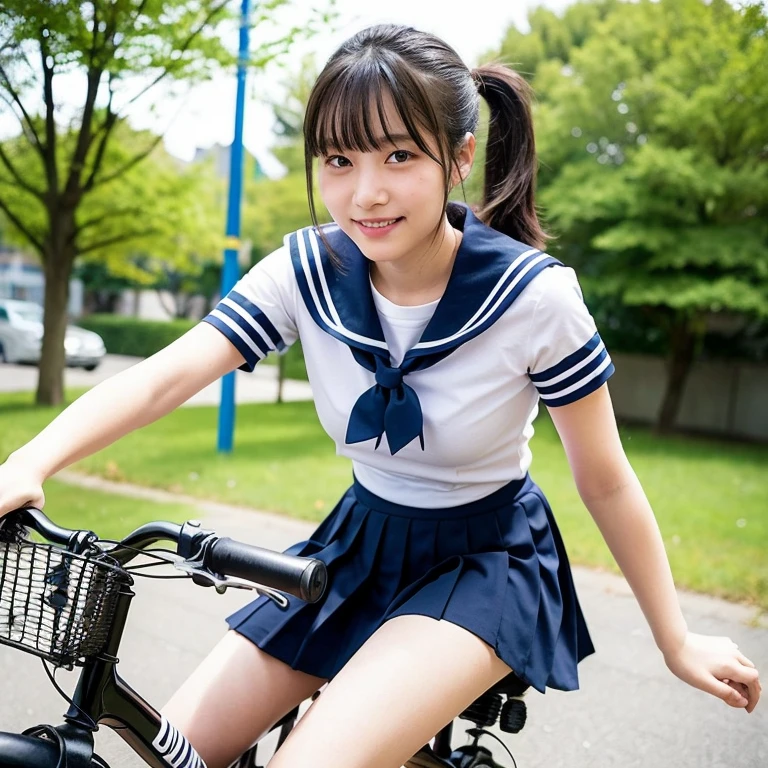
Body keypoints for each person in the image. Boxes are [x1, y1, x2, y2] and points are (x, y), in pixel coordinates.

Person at [0, 23, 761, 768]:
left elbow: (605, 477)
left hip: (487, 557)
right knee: (174, 746)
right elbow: (166, 374)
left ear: (460, 156)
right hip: (358, 541)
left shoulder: (534, 298)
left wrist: (676, 639)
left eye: (399, 155)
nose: (365, 193)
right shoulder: (305, 271)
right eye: (338, 159)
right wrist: (28, 461)